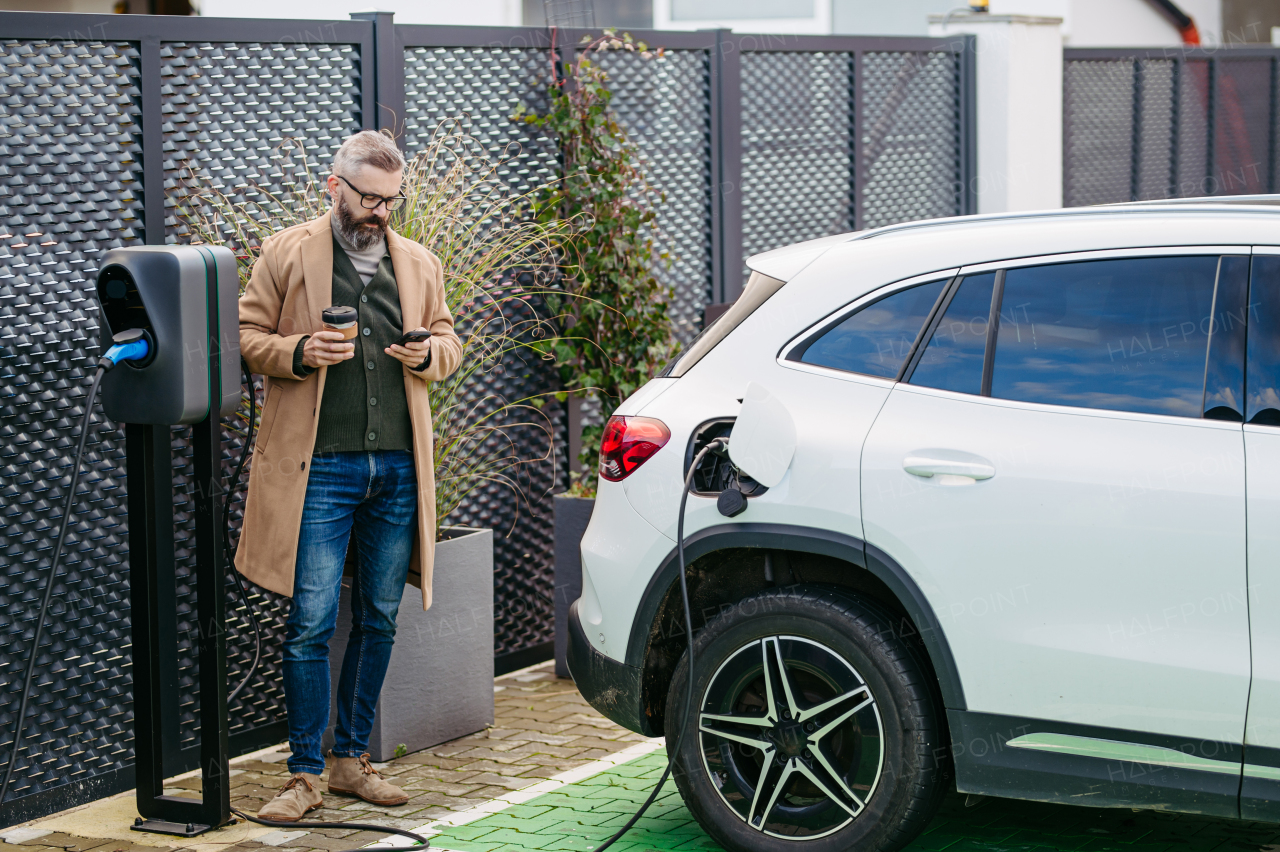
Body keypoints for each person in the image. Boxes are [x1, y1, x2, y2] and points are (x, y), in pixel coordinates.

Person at [235, 130, 462, 821]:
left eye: (392, 200)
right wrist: (300, 350)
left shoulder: (419, 262)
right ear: (334, 188)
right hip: (318, 472)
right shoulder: (286, 252)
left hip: (397, 466)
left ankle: (349, 761)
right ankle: (303, 774)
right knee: (309, 622)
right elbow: (246, 339)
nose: (382, 211)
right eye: (369, 197)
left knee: (380, 618)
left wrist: (428, 354)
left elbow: (451, 340)